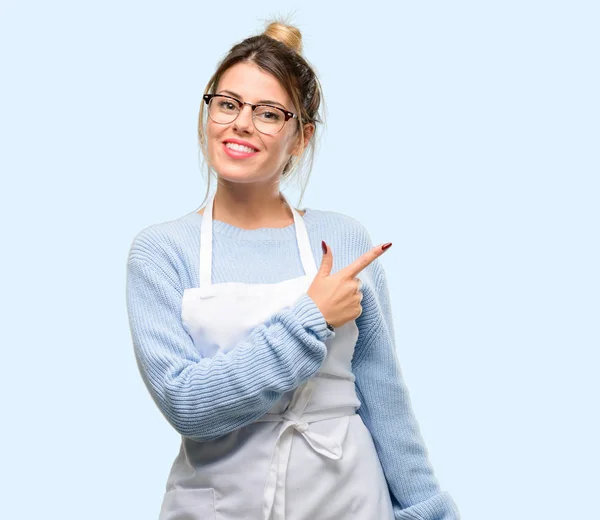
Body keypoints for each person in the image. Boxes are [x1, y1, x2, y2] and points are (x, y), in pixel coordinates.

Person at [126, 19, 461, 520]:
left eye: (267, 113)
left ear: (301, 138)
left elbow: (383, 397)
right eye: (228, 104)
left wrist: (429, 512)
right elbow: (189, 405)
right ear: (208, 112)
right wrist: (312, 318)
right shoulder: (161, 251)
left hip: (349, 501)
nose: (240, 123)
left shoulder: (343, 237)